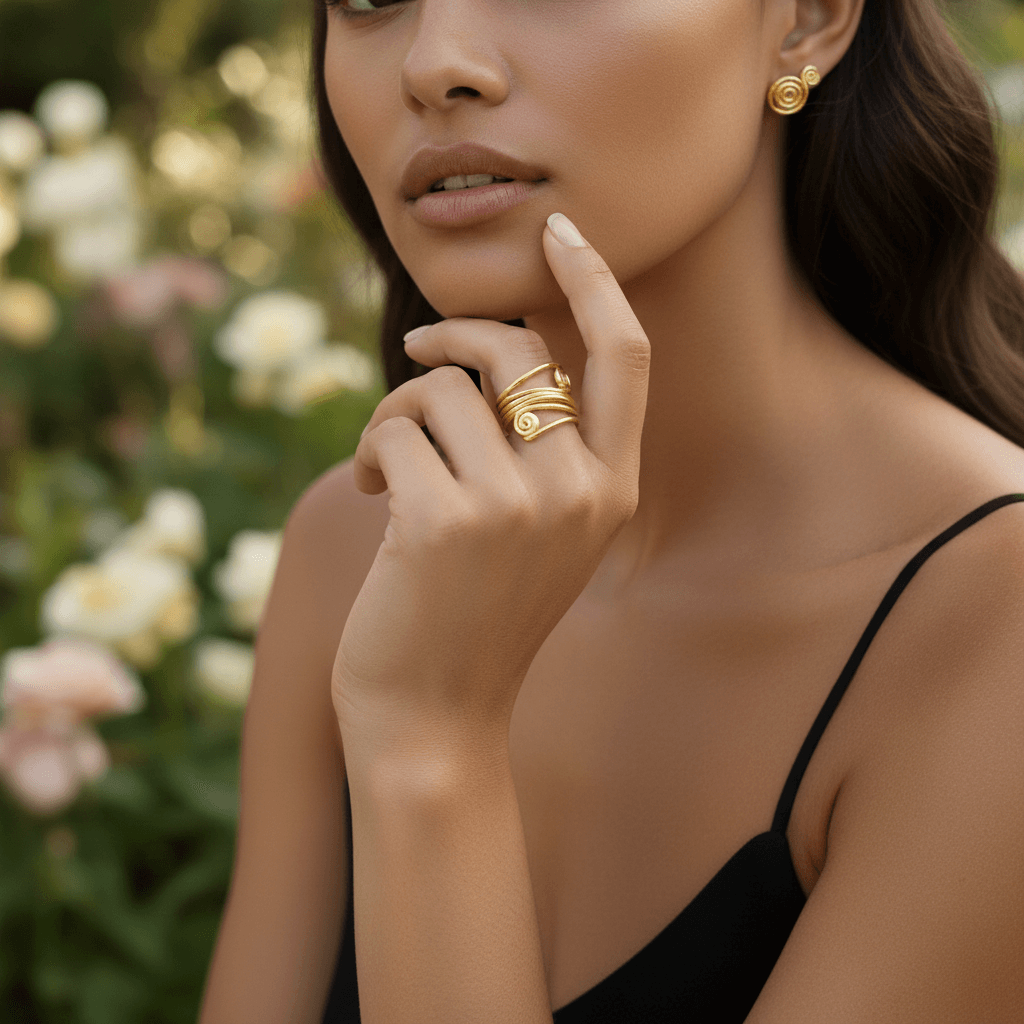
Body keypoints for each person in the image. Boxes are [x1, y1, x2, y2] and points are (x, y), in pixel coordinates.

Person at [196, 0, 1024, 1017]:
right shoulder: (353, 541)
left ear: (805, 20)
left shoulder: (995, 623)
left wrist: (429, 743)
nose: (433, 62)